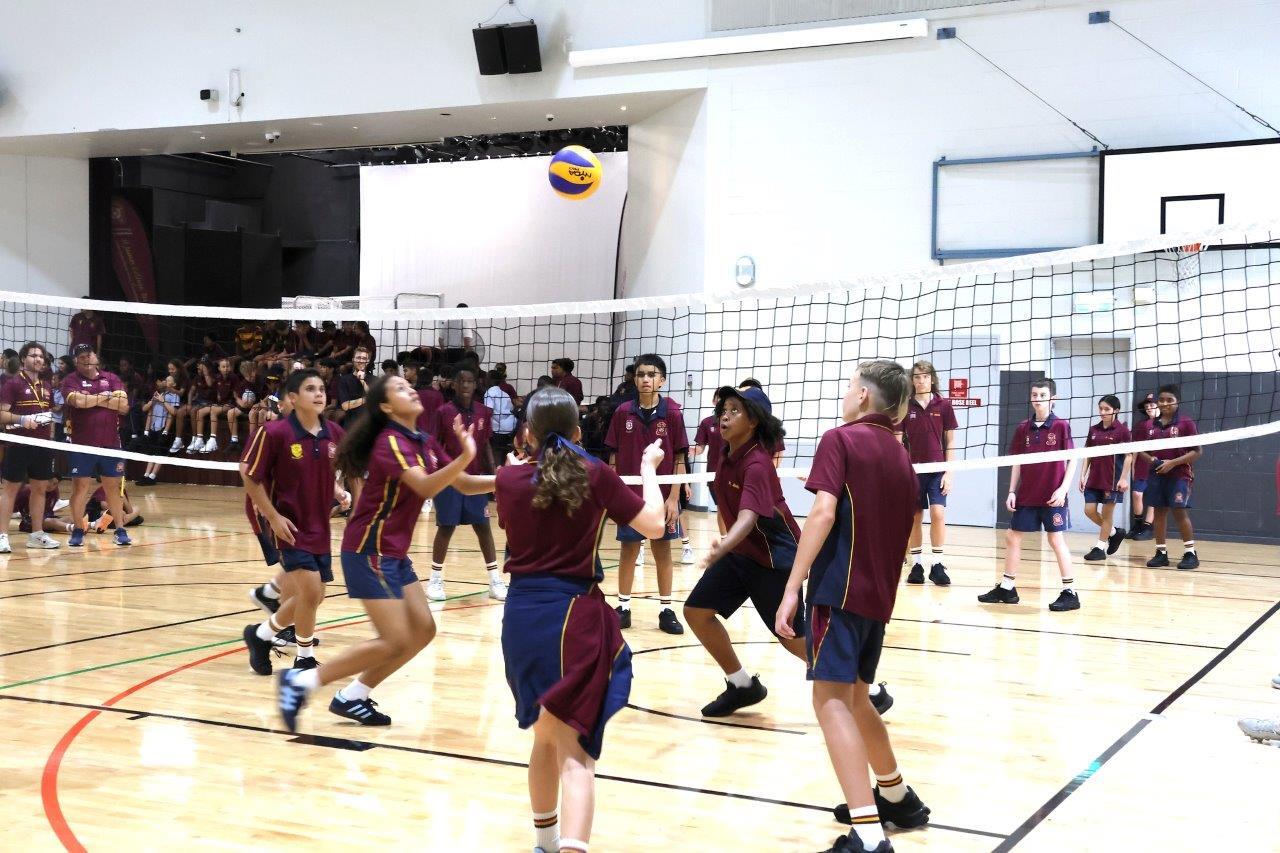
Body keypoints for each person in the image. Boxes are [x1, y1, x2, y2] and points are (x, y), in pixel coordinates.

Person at [496, 387, 665, 853]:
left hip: (520, 619)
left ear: (527, 433)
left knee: (544, 737)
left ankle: (545, 843)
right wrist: (649, 469)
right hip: (572, 617)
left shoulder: (507, 479)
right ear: (577, 431)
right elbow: (654, 524)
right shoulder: (595, 474)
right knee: (576, 755)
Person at [276, 375, 492, 731]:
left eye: (410, 386)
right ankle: (301, 682)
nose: (411, 390)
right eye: (400, 389)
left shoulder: (423, 441)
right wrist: (466, 455)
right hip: (368, 550)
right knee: (395, 639)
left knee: (423, 630)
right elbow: (425, 486)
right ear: (387, 407)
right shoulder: (390, 441)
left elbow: (464, 484)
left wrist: (516, 478)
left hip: (393, 553)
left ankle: (353, 696)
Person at [775, 361, 930, 853]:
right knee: (858, 698)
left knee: (831, 701)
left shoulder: (839, 438)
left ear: (863, 395)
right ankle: (898, 798)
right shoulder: (901, 454)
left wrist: (792, 586)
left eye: (849, 386)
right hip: (877, 597)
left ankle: (866, 833)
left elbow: (822, 513)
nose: (845, 394)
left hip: (838, 592)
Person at [684, 385, 808, 716]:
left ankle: (863, 689)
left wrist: (724, 543)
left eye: (735, 410)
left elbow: (748, 516)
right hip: (741, 554)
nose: (725, 416)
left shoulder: (757, 463)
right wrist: (729, 547)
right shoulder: (726, 456)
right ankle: (741, 685)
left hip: (773, 559)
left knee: (792, 638)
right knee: (696, 611)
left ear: (753, 421)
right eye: (723, 410)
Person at [239, 369, 345, 677]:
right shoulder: (275, 433)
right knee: (310, 591)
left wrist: (339, 491)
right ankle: (304, 658)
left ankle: (260, 635)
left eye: (322, 388)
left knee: (314, 595)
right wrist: (272, 516)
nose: (319, 393)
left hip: (320, 525)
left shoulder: (334, 433)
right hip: (289, 525)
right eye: (311, 388)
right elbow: (249, 475)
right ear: (293, 398)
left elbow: (328, 469)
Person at [604, 353, 688, 634]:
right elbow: (613, 457)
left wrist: (674, 498)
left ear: (661, 380)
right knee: (628, 549)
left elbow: (679, 458)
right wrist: (613, 494)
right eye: (641, 374)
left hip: (662, 496)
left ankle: (666, 609)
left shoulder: (672, 413)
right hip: (630, 496)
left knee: (662, 550)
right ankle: (623, 607)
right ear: (635, 379)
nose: (645, 379)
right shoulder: (622, 412)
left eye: (652, 375)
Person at [979, 379, 1079, 611]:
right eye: (1034, 395)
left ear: (1052, 399)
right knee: (1012, 536)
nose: (1038, 399)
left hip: (1052, 496)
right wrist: (1012, 491)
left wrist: (1063, 489)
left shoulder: (1061, 426)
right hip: (1027, 494)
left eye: (1042, 395)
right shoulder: (1023, 427)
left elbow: (1073, 459)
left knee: (1055, 540)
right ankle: (1007, 588)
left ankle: (1070, 592)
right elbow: (1017, 462)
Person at [430, 367, 505, 601]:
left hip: (476, 480)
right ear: (454, 384)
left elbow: (486, 445)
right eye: (461, 381)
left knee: (483, 527)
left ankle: (495, 581)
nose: (465, 385)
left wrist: (494, 473)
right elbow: (434, 445)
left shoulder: (483, 411)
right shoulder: (443, 412)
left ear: (475, 385)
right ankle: (435, 580)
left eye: (470, 381)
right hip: (449, 480)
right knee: (446, 528)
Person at [61, 343, 132, 547]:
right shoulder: (70, 380)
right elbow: (78, 402)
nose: (86, 359)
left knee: (113, 488)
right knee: (80, 487)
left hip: (111, 444)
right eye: (81, 357)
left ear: (95, 357)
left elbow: (123, 406)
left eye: (88, 355)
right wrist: (105, 397)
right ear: (76, 361)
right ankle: (78, 530)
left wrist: (90, 399)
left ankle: (120, 530)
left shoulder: (112, 378)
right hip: (82, 445)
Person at [896, 360, 957, 586]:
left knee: (938, 513)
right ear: (912, 380)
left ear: (932, 379)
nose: (921, 380)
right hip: (913, 472)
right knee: (915, 516)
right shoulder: (905, 406)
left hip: (937, 470)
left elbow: (950, 441)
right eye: (917, 377)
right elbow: (897, 442)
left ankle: (938, 564)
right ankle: (917, 564)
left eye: (925, 376)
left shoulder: (944, 405)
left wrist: (949, 472)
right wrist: (901, 471)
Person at [0, 342, 60, 552]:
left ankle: (36, 534)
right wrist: (22, 419)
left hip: (42, 446)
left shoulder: (47, 386)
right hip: (19, 444)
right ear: (23, 359)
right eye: (34, 355)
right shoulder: (13, 384)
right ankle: (2, 535)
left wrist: (50, 439)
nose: (38, 359)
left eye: (41, 356)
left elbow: (49, 416)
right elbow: (2, 414)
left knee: (40, 489)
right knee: (10, 489)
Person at [1140, 384, 1202, 570]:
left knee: (1178, 511)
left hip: (1179, 475)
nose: (1165, 403)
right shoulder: (1150, 425)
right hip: (1157, 474)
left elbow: (1197, 451)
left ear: (1177, 402)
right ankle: (1161, 553)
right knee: (1159, 513)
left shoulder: (1185, 423)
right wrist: (1151, 459)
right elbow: (1140, 449)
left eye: (1170, 400)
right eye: (1161, 400)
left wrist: (1172, 463)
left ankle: (1190, 553)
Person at [1080, 394, 1134, 561]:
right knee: (1089, 510)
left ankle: (1100, 548)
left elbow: (1129, 456)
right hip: (1094, 479)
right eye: (1101, 409)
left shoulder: (1122, 431)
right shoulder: (1093, 430)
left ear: (1116, 411)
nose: (1102, 412)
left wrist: (1123, 478)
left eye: (1106, 409)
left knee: (1107, 514)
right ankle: (1114, 533)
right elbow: (1087, 454)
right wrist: (1082, 475)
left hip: (1112, 480)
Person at [693, 389, 727, 534]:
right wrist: (692, 451)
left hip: (736, 471)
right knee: (722, 508)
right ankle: (725, 540)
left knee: (738, 508)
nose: (722, 401)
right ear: (714, 401)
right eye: (719, 398)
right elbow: (700, 447)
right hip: (714, 473)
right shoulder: (707, 423)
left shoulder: (738, 422)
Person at [137, 376, 182, 485]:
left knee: (160, 453)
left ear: (174, 384)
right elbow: (145, 409)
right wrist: (154, 400)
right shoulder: (157, 394)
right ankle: (146, 475)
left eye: (168, 380)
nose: (165, 382)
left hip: (164, 428)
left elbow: (174, 412)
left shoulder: (174, 396)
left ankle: (152, 477)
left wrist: (163, 401)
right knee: (152, 452)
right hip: (153, 427)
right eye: (165, 380)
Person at [1127, 394, 1159, 540]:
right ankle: (1138, 525)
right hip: (1142, 465)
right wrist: (1133, 466)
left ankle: (1148, 527)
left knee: (1153, 496)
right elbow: (1135, 448)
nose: (1149, 408)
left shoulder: (1166, 424)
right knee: (1137, 494)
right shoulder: (1141, 425)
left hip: (1158, 466)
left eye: (1151, 405)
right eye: (1146, 406)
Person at [226, 359, 262, 450]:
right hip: (244, 406)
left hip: (257, 406)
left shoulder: (259, 381)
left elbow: (266, 395)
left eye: (254, 371)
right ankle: (234, 440)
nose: (254, 373)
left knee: (252, 414)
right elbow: (236, 397)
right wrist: (240, 402)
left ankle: (252, 441)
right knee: (230, 413)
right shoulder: (242, 384)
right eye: (251, 372)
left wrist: (259, 403)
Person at [485, 369, 517, 465]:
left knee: (495, 453)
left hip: (499, 430)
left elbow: (489, 412)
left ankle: (497, 469)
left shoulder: (489, 392)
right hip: (511, 427)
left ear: (490, 380)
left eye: (486, 378)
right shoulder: (504, 394)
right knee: (506, 454)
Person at [337, 347, 372, 422]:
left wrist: (362, 381)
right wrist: (365, 399)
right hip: (351, 423)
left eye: (364, 358)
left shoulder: (374, 379)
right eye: (358, 358)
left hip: (370, 422)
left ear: (368, 361)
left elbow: (375, 401)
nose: (361, 361)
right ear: (353, 360)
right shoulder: (344, 380)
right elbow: (345, 406)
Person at [165, 359, 192, 453]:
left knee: (176, 412)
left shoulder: (184, 379)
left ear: (179, 369)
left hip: (185, 403)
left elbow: (181, 393)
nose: (170, 371)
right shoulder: (171, 378)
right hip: (174, 403)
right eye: (169, 369)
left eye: (172, 369)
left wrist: (169, 388)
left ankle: (178, 440)